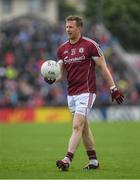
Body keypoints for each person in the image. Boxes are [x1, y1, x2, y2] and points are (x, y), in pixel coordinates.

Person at [44, 15, 124, 171]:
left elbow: (103, 68)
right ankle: (93, 161)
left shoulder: (90, 45)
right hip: (71, 94)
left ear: (79, 28)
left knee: (77, 126)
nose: (68, 29)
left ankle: (67, 159)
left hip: (86, 92)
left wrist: (113, 88)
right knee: (84, 127)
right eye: (66, 27)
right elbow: (59, 72)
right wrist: (52, 78)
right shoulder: (62, 49)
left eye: (71, 27)